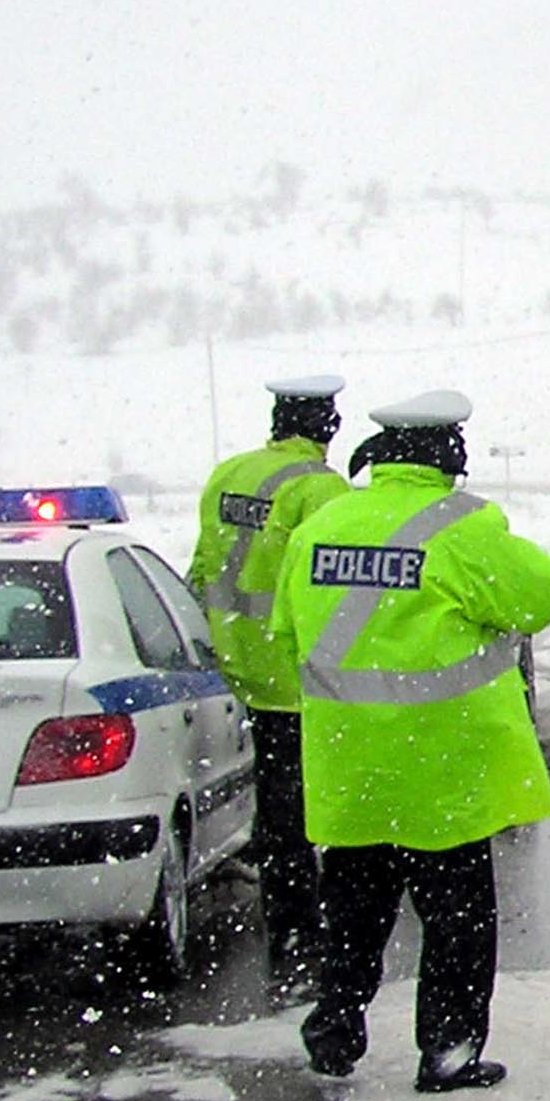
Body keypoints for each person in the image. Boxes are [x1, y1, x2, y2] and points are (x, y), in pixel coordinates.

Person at [271, 388, 550, 1094]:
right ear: (447, 453)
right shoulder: (463, 528)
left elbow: (286, 633)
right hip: (443, 771)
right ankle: (447, 1052)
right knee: (457, 925)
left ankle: (335, 1027)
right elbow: (540, 597)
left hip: (352, 767)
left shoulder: (322, 523)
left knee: (352, 916)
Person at [188, 374, 350, 974]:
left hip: (242, 664)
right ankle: (304, 932)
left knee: (279, 805)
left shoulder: (227, 474)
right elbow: (329, 588)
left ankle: (288, 928)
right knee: (314, 813)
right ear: (326, 427)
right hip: (298, 675)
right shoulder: (320, 489)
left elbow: (205, 563)